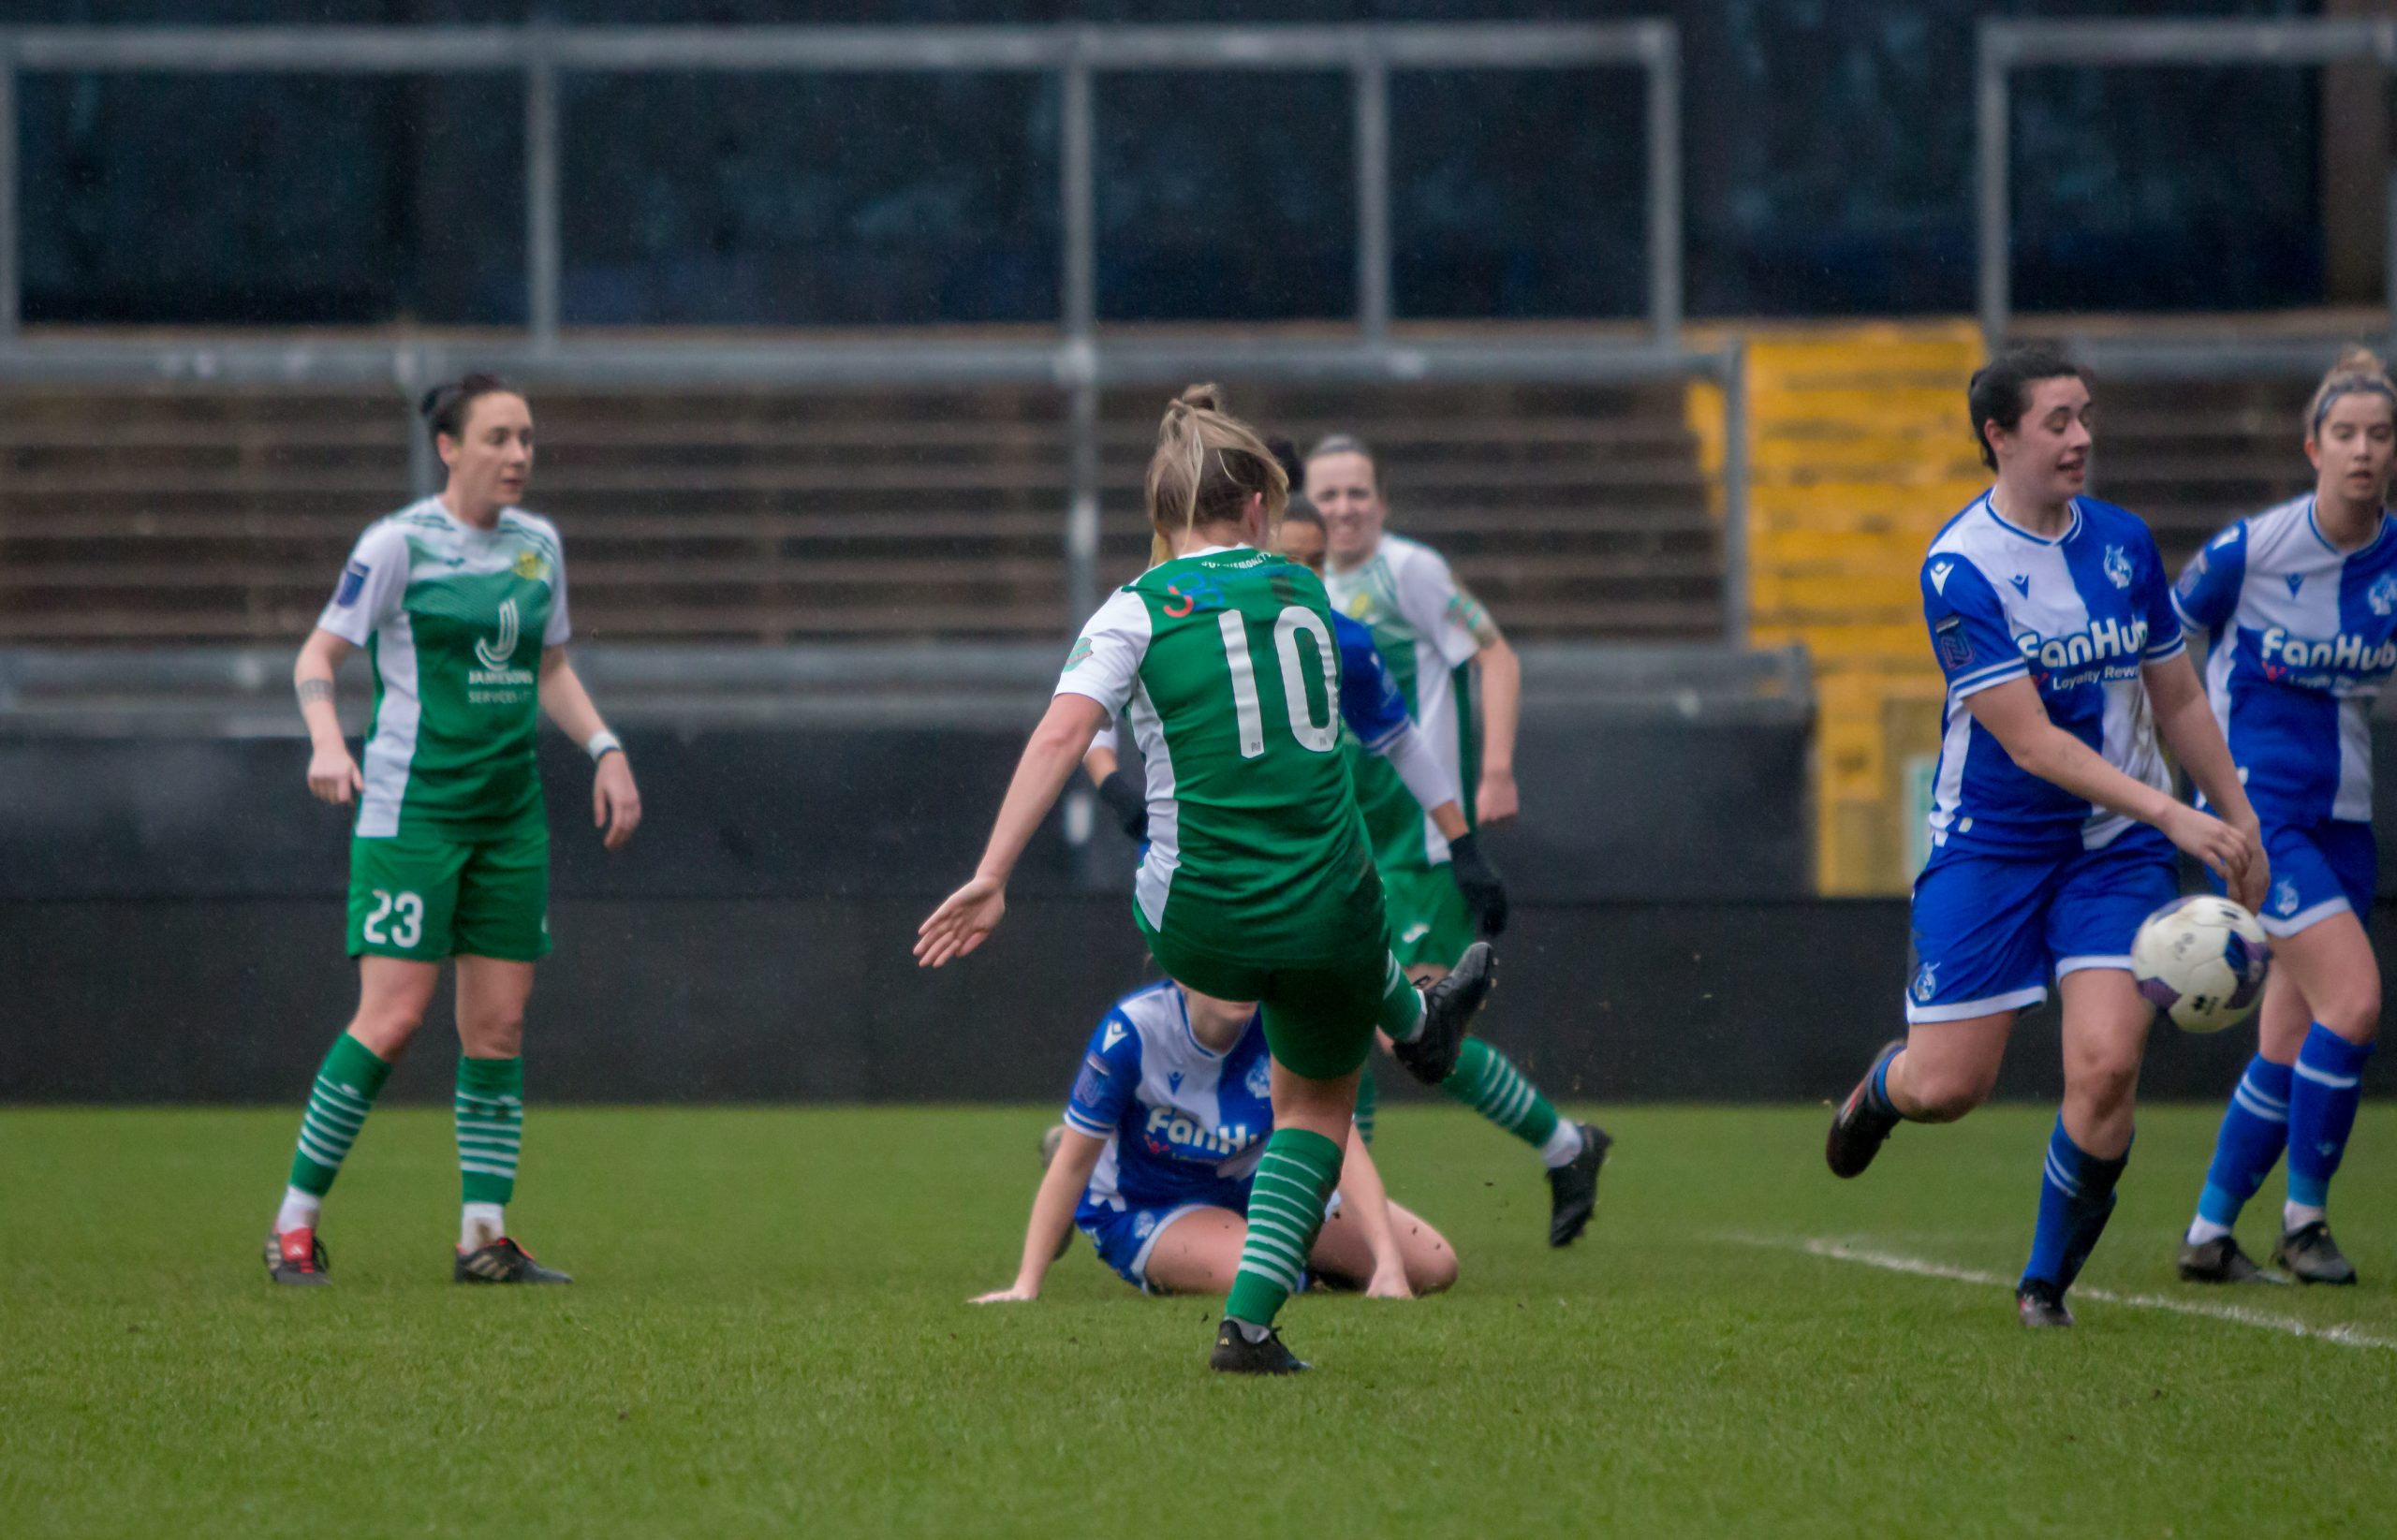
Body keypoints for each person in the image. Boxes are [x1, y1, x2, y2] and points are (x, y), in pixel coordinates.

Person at [918, 385, 1495, 1373]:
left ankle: (1254, 1326)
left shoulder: (1132, 610)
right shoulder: (1306, 589)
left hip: (1196, 921)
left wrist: (991, 873)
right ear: (1262, 509)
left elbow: (1064, 732)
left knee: (1285, 1008)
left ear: (1158, 512)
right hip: (1328, 914)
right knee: (1316, 1106)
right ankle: (1411, 1024)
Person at [1823, 345, 2267, 1328]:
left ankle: (2043, 1285)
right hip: (1991, 846)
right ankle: (1882, 1091)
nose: (2080, 438)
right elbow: (2029, 743)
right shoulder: (1958, 568)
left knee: (2106, 1067)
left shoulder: (2123, 542)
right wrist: (2175, 811)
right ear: (1999, 434)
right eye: (2057, 421)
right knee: (1949, 1086)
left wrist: (2238, 817)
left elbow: (2178, 695)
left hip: (2115, 852)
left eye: (2086, 417)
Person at [263, 374, 642, 1287]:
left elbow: (549, 666)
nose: (518, 455)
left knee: (498, 1027)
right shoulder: (398, 543)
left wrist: (604, 747)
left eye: (527, 439)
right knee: (392, 1019)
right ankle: (293, 1224)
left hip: (509, 818)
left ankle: (482, 1236)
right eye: (498, 437)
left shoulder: (538, 545)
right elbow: (319, 653)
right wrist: (327, 741)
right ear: (449, 447)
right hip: (413, 812)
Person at [1301, 437, 1608, 1244]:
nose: (1343, 508)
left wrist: (1495, 770)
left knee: (1411, 1028)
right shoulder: (1307, 587)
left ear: (1383, 501)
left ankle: (1565, 1143)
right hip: (1351, 842)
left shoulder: (1411, 571)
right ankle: (1345, 1215)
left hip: (1418, 844)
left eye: (1357, 492)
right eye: (1328, 494)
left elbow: (1496, 656)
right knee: (1347, 1026)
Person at [2171, 347, 2397, 1287]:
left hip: (2344, 817)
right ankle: (2304, 1223)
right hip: (2257, 815)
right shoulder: (2251, 550)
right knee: (2354, 1000)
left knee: (2289, 1038)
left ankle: (2207, 1234)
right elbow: (2163, 648)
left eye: (2379, 434)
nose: (2362, 450)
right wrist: (2173, 786)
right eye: (2344, 433)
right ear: (2313, 447)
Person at [973, 980, 1457, 1303]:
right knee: (1269, 1279)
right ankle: (1082, 1139)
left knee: (1434, 1266)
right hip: (1149, 1202)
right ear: (1182, 969)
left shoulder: (1286, 1023)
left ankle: (1304, 1255)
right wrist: (1026, 1286)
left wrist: (1388, 1263)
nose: (1238, 976)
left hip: (1255, 1182)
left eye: (1248, 960)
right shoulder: (1132, 1032)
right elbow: (1074, 1166)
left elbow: (1337, 1141)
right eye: (1221, 961)